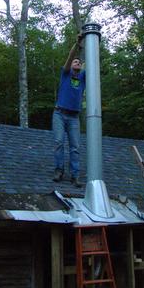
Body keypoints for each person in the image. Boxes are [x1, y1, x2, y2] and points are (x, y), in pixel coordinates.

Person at [53, 34, 86, 187]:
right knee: (59, 142)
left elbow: (90, 62)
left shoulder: (83, 77)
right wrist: (77, 44)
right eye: (75, 61)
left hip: (74, 117)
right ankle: (59, 170)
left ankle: (75, 176)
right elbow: (70, 57)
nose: (77, 62)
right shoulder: (66, 74)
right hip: (59, 114)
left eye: (79, 62)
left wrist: (92, 41)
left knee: (75, 147)